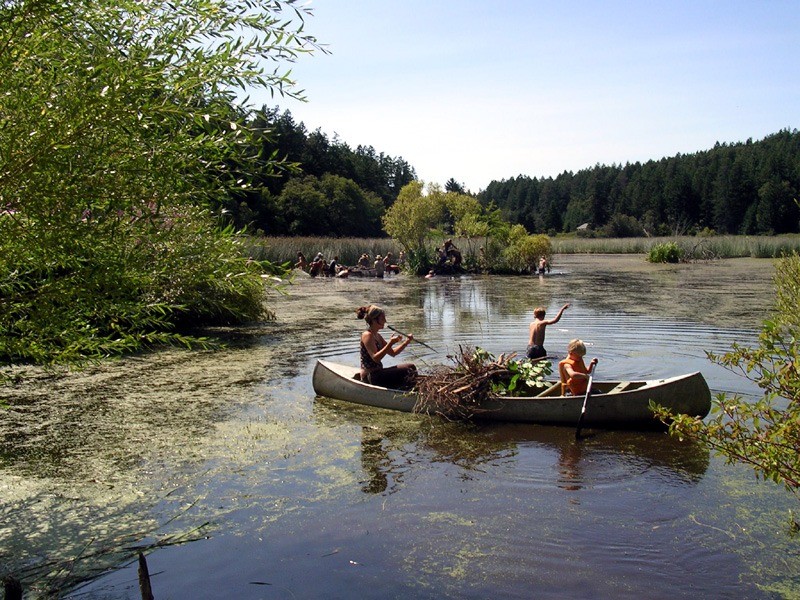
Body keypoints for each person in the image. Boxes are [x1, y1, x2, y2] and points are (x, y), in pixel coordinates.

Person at [356, 304, 417, 388]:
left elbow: (393, 353)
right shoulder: (367, 335)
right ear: (374, 320)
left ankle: (409, 388)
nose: (385, 321)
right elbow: (376, 358)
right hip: (371, 376)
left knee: (411, 367)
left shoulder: (378, 336)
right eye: (382, 318)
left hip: (379, 373)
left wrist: (406, 342)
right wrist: (390, 343)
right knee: (407, 371)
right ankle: (407, 390)